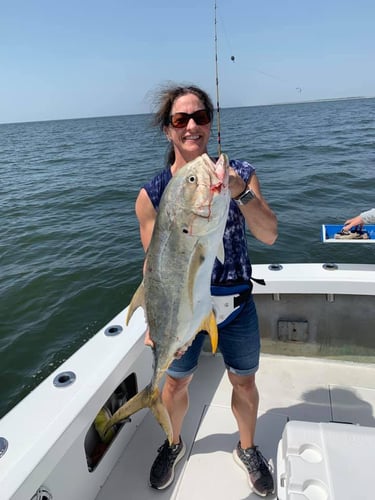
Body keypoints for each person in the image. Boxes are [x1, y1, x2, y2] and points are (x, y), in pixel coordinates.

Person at [134, 83, 278, 497]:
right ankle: (174, 443)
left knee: (244, 382)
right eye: (181, 119)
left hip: (236, 306)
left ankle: (247, 448)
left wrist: (240, 193)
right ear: (168, 129)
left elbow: (269, 234)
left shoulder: (240, 175)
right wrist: (155, 321)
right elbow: (154, 268)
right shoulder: (152, 195)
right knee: (175, 385)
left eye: (200, 117)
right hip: (183, 310)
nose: (192, 125)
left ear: (210, 124)